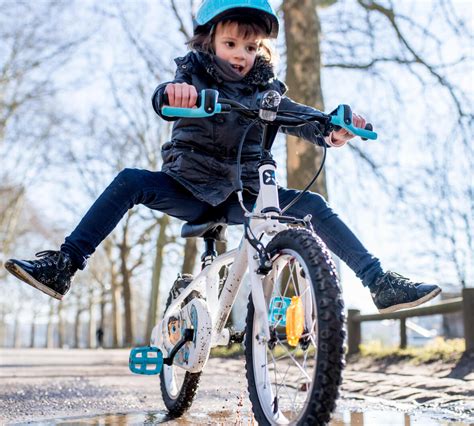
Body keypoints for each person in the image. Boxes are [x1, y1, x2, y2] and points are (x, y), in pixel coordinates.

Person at [4, 0, 441, 314]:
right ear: (210, 41)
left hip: (245, 196)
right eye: (232, 44)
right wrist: (176, 95)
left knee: (313, 206)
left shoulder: (267, 93)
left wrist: (333, 127)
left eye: (250, 49)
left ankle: (379, 282)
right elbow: (165, 98)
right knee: (130, 181)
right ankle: (64, 265)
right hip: (188, 189)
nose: (241, 56)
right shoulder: (191, 76)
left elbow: (305, 119)